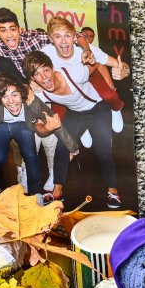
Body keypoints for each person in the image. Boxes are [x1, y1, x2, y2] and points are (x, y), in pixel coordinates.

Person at [22, 50, 122, 209]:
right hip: (75, 113)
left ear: (53, 68)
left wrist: (111, 82)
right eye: (37, 74)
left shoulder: (74, 74)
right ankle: (57, 191)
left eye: (46, 70)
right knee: (61, 146)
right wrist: (46, 125)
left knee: (103, 149)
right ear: (33, 79)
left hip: (97, 108)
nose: (44, 77)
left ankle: (113, 190)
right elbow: (31, 122)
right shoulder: (38, 93)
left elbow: (96, 63)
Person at [0, 77, 78, 196]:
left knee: (31, 155)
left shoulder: (33, 103)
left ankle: (35, 194)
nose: (11, 101)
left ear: (22, 94)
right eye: (5, 97)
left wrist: (73, 148)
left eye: (14, 95)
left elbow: (55, 123)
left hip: (22, 125)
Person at [42, 16, 128, 119]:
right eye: (57, 36)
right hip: (61, 85)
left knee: (109, 95)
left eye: (67, 36)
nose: (63, 41)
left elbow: (120, 65)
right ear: (51, 39)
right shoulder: (44, 54)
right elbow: (33, 71)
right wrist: (34, 83)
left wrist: (125, 71)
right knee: (57, 118)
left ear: (75, 37)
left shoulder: (88, 50)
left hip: (86, 75)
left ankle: (116, 109)